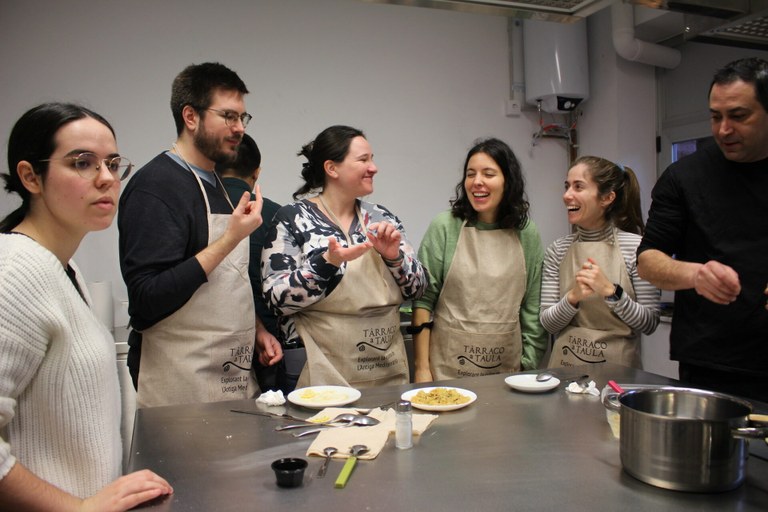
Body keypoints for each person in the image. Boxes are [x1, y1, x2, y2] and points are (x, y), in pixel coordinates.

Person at [0, 103, 172, 510]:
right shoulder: (15, 270)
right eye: (82, 163)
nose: (107, 179)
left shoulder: (63, 267)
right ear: (31, 177)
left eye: (112, 163)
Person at [118, 62, 282, 408]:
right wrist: (229, 240)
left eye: (243, 118)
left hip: (232, 371)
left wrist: (256, 330)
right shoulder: (156, 186)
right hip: (182, 381)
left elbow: (224, 280)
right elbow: (147, 298)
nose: (239, 128)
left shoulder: (218, 186)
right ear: (190, 117)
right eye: (228, 116)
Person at [637, 57, 768, 402]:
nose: (724, 129)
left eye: (738, 116)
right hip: (711, 364)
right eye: (715, 116)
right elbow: (648, 260)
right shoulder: (685, 177)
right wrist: (695, 274)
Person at [262, 125, 427, 391]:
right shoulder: (293, 218)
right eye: (363, 160)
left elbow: (419, 288)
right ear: (332, 168)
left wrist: (394, 257)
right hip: (319, 366)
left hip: (384, 362)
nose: (374, 168)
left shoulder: (382, 218)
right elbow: (275, 298)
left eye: (372, 158)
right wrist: (326, 263)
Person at [412, 137, 547, 382]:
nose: (477, 182)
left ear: (508, 181)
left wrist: (528, 365)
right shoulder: (445, 226)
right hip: (447, 370)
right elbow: (423, 301)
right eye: (470, 174)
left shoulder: (526, 232)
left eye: (489, 174)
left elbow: (533, 308)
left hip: (508, 373)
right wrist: (422, 368)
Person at [540, 156, 660, 369]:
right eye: (567, 186)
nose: (567, 195)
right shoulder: (557, 250)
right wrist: (573, 297)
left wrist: (611, 291)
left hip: (619, 373)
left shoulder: (636, 248)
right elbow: (548, 324)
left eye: (579, 187)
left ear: (607, 198)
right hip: (565, 368)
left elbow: (649, 323)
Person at [215, 133, 282, 391]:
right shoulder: (277, 214)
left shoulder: (197, 209)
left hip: (214, 345)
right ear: (257, 173)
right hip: (269, 347)